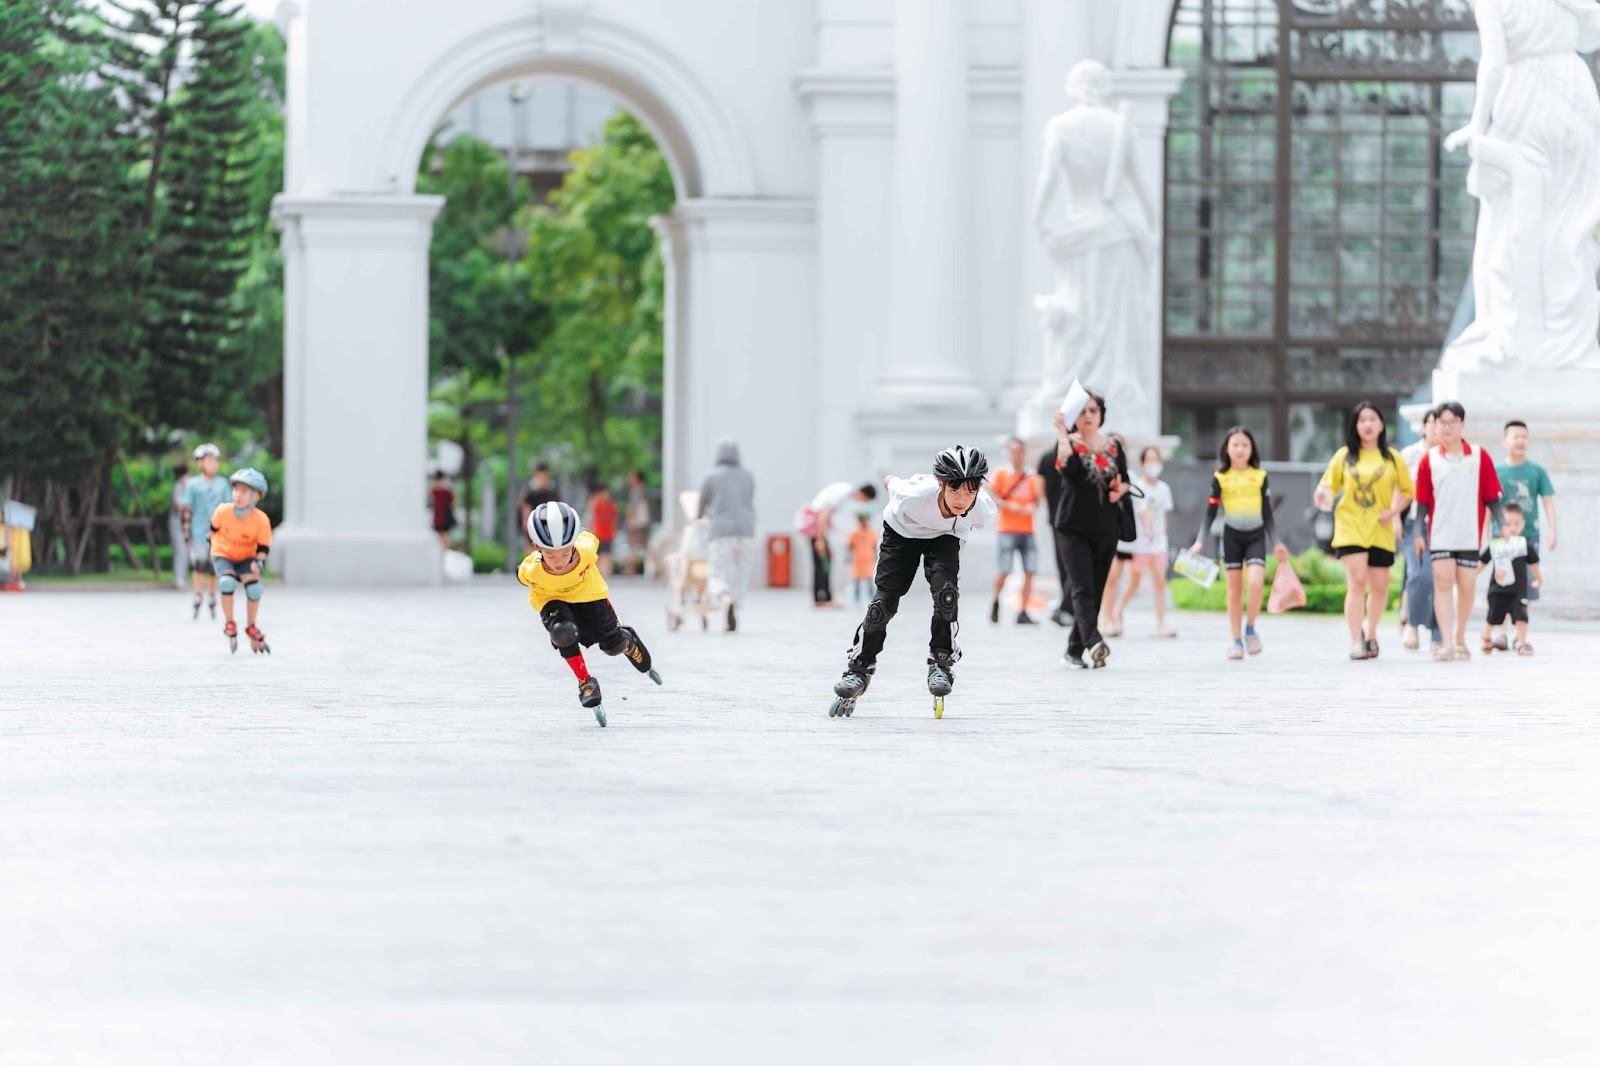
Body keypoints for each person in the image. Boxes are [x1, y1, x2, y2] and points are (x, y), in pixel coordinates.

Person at [829, 447, 995, 715]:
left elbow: (972, 513)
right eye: (954, 490)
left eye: (969, 491)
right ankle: (858, 669)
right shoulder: (914, 493)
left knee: (946, 596)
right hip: (900, 532)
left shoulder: (984, 509)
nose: (961, 499)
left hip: (944, 539)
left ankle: (941, 662)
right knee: (882, 605)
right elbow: (889, 481)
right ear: (940, 484)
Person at [519, 500, 661, 727]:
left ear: (574, 544)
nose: (559, 561)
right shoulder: (531, 569)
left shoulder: (586, 547)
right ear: (537, 548)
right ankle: (585, 682)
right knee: (562, 632)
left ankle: (627, 641)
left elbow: (586, 533)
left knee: (613, 647)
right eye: (551, 555)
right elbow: (523, 576)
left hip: (590, 596)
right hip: (554, 602)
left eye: (565, 553)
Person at [1314, 402, 1413, 661]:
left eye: (1372, 419)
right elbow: (1327, 487)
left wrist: (1392, 513)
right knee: (1356, 582)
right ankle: (1355, 640)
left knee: (1379, 587)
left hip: (1380, 529)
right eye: (1362, 420)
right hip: (1350, 527)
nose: (1367, 425)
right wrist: (1321, 496)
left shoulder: (1392, 458)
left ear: (1382, 425)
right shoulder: (1344, 455)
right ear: (1355, 426)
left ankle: (1370, 632)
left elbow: (1408, 491)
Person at [1413, 401, 1506, 662]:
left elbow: (1492, 497)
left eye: (1452, 422)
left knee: (1466, 585)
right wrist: (1419, 532)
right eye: (1441, 422)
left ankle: (1460, 636)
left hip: (1468, 534)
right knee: (1442, 584)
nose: (1446, 427)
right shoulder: (1428, 460)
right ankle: (1446, 642)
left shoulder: (1478, 455)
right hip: (1440, 533)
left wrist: (1504, 524)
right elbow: (1421, 502)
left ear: (1462, 424)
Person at [1189, 426, 1289, 661]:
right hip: (1231, 536)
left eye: (1245, 445)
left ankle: (1250, 629)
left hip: (1255, 536)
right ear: (1227, 448)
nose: (1240, 449)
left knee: (1255, 583)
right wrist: (1199, 541)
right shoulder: (1220, 477)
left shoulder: (1260, 476)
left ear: (1252, 448)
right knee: (1234, 591)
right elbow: (1210, 510)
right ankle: (1235, 641)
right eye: (1235, 444)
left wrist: (1276, 541)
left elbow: (1267, 513)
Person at [1051, 391, 1130, 669]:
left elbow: (1125, 481)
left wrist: (1120, 490)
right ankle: (1095, 641)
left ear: (1101, 414)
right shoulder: (1068, 443)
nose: (1088, 416)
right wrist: (1062, 431)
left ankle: (1073, 651)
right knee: (1082, 587)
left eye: (1093, 410)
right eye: (1082, 411)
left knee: (1096, 589)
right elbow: (1068, 470)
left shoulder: (1113, 446)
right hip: (1072, 527)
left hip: (1106, 528)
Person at [1112, 446, 1177, 638]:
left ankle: (1160, 624)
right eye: (1148, 460)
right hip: (1140, 543)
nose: (1153, 464)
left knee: (1159, 582)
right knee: (1134, 583)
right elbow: (1141, 511)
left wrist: (1161, 537)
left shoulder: (1164, 488)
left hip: (1158, 544)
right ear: (1141, 464)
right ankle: (1117, 611)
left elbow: (1163, 515)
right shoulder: (1137, 486)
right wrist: (1147, 529)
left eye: (1155, 459)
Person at [209, 468, 274, 654]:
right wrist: (212, 545)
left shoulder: (261, 520)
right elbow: (213, 529)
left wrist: (259, 563)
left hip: (246, 556)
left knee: (254, 588)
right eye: (236, 490)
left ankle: (251, 625)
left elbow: (263, 547)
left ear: (256, 497)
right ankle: (230, 622)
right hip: (224, 554)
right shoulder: (222, 511)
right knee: (227, 582)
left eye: (244, 492)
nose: (237, 495)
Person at [697, 439, 756, 632]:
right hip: (746, 531)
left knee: (717, 573)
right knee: (740, 575)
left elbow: (702, 505)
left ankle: (725, 599)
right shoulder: (748, 475)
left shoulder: (711, 476)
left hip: (721, 532)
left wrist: (699, 518)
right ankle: (733, 608)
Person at [1495, 420, 1557, 602]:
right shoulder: (1497, 470)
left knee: (1529, 582)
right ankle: (1502, 627)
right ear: (1505, 441)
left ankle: (1522, 626)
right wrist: (1484, 535)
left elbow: (1548, 502)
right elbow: (1490, 505)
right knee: (1502, 581)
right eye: (1516, 437)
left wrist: (1552, 531)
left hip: (1529, 534)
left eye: (1524, 437)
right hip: (1502, 535)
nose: (1520, 441)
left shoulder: (1536, 471)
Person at [1399, 409, 1444, 652]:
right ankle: (1412, 623)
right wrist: (1395, 517)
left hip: (1444, 526)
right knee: (1419, 575)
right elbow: (1399, 489)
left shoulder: (1449, 456)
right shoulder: (1410, 455)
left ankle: (1438, 633)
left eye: (1442, 423)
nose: (1437, 428)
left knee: (1441, 579)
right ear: (1424, 426)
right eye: (1432, 423)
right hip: (1414, 523)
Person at [989, 436, 1044, 625]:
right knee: (1004, 570)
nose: (1017, 454)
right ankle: (996, 600)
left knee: (1030, 570)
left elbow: (1038, 497)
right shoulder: (1001, 473)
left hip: (1027, 529)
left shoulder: (1032, 476)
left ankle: (1023, 609)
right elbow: (993, 497)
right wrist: (1013, 507)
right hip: (1006, 528)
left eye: (1019, 450)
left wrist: (1033, 507)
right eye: (1013, 450)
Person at [798, 480, 878, 607]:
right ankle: (822, 598)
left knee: (823, 560)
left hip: (818, 527)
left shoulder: (845, 489)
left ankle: (823, 598)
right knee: (822, 562)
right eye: (865, 501)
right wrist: (820, 540)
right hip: (815, 527)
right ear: (864, 494)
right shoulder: (844, 494)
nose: (861, 503)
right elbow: (823, 515)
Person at [1481, 502, 1542, 657]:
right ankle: (1486, 636)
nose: (1512, 527)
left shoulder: (1523, 544)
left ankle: (1521, 641)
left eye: (1516, 524)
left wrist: (1539, 579)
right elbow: (1482, 562)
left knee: (1522, 616)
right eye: (1508, 523)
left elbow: (1533, 563)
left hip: (1519, 591)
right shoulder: (1495, 545)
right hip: (1498, 589)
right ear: (1499, 524)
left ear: (1522, 525)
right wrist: (1470, 577)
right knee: (1493, 616)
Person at [179, 443, 229, 620]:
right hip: (198, 532)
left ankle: (212, 596)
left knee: (214, 567)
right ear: (199, 463)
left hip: (218, 534)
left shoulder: (222, 484)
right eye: (208, 460)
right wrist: (186, 532)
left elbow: (228, 508)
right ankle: (198, 594)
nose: (212, 464)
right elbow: (187, 509)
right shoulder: (192, 485)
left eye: (215, 460)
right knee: (199, 566)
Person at [1101, 432, 1134, 637]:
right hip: (1105, 528)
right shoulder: (1100, 470)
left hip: (1125, 530)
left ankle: (1115, 613)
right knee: (1110, 577)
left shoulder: (1129, 475)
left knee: (1118, 576)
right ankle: (1107, 618)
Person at [1036, 439, 1071, 626]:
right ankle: (1066, 607)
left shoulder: (1046, 457)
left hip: (1056, 520)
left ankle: (1066, 606)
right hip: (1071, 521)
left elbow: (1039, 488)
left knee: (1063, 564)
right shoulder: (1074, 457)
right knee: (1073, 565)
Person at [519, 464, 558, 551]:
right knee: (531, 546)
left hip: (549, 523)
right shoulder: (530, 490)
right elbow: (525, 506)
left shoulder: (551, 490)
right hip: (533, 521)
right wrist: (525, 521)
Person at [585, 482, 619, 575]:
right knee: (597, 556)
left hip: (608, 534)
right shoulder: (596, 504)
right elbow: (590, 515)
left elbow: (614, 520)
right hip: (598, 534)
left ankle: (609, 572)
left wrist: (614, 532)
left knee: (608, 555)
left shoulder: (611, 506)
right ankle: (596, 573)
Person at [625, 469, 653, 576]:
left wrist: (630, 522)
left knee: (633, 546)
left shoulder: (636, 492)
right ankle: (652, 568)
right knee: (645, 545)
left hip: (637, 524)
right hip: (644, 523)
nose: (630, 480)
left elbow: (632, 509)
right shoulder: (646, 491)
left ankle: (630, 569)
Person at [168, 462, 190, 590]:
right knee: (180, 551)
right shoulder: (178, 488)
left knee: (186, 552)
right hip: (177, 525)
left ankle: (183, 577)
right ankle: (179, 579)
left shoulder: (186, 488)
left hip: (186, 525)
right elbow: (180, 506)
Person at [849, 513, 878, 604]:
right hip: (858, 559)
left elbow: (875, 546)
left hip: (869, 559)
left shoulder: (872, 532)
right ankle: (856, 598)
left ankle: (872, 597)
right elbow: (850, 545)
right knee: (857, 579)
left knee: (870, 579)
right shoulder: (855, 532)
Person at [429, 469, 456, 552]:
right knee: (446, 537)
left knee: (439, 538)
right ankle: (445, 552)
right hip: (445, 516)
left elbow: (432, 503)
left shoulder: (433, 490)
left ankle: (441, 552)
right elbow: (453, 504)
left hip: (438, 517)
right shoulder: (447, 491)